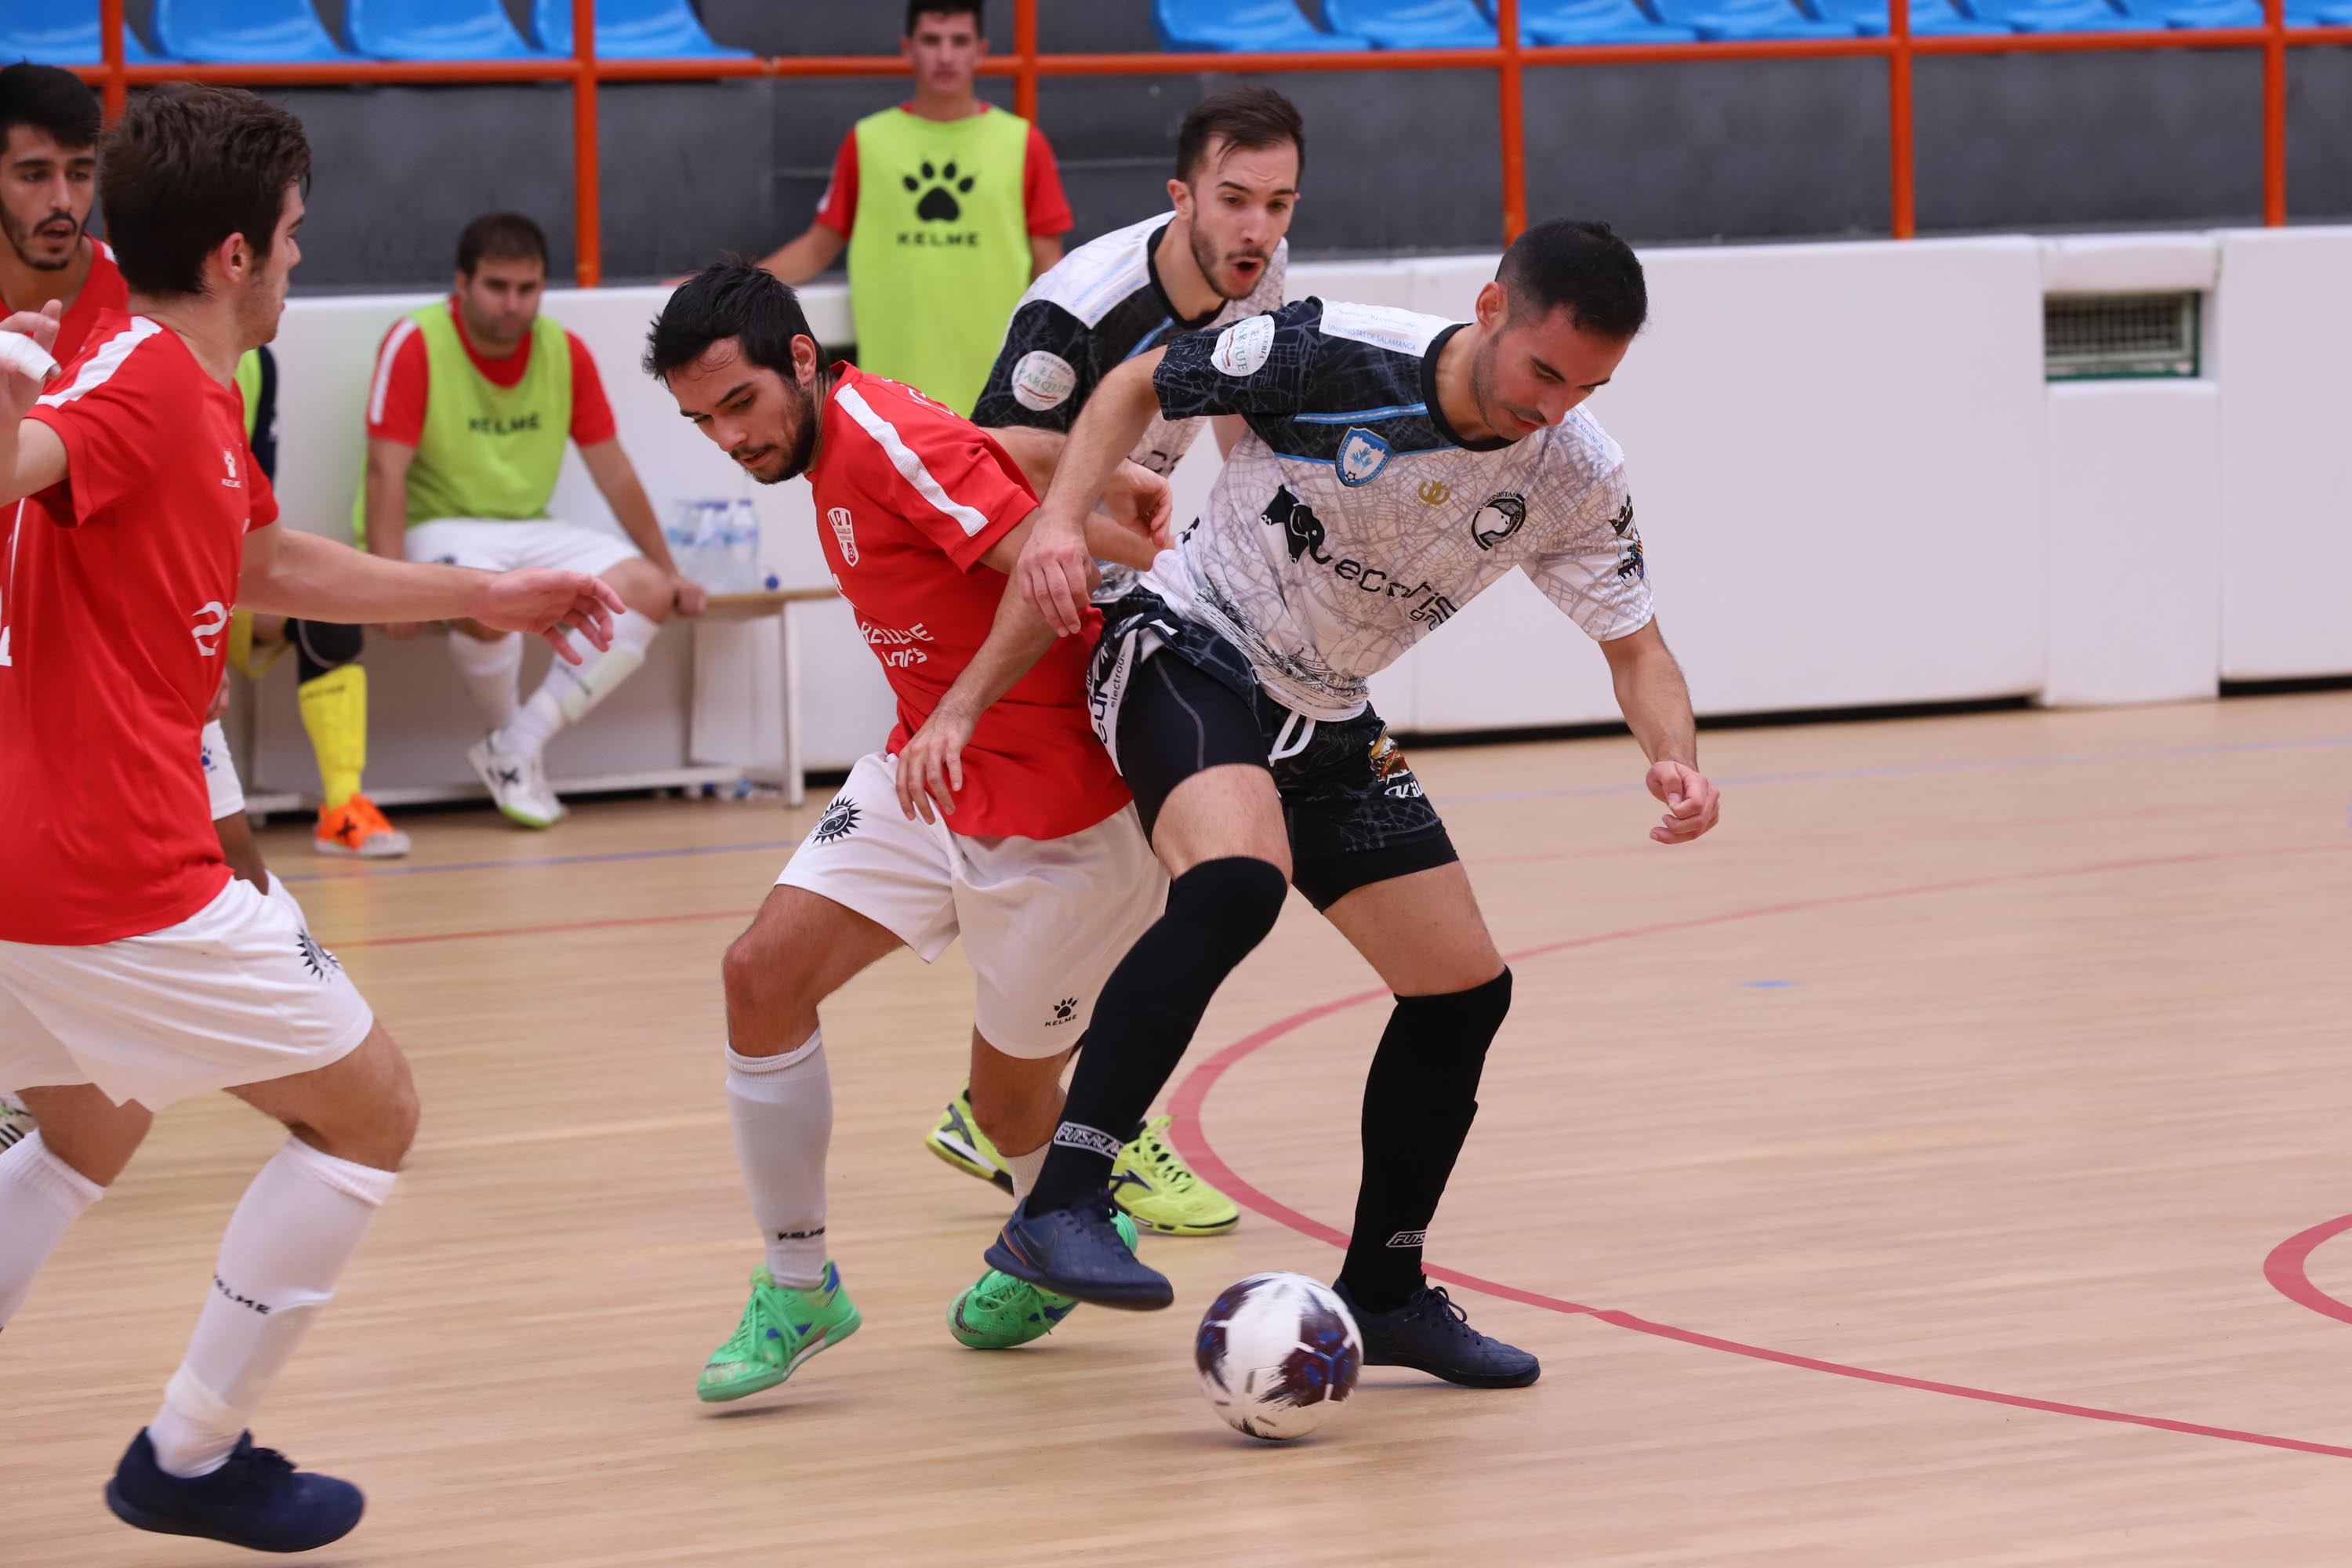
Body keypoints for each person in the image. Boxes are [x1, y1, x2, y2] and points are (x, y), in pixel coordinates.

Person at [0, 85, 621, 1552]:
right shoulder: (142, 381)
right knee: (371, 1109)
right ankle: (193, 1454)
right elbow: (27, 458)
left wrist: (483, 592)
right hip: (118, 868)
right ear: (233, 256)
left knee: (85, 1133)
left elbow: (266, 557)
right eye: (289, 236)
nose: (298, 259)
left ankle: (191, 1450)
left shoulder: (185, 394)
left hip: (33, 864)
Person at [978, 220, 1725, 1390]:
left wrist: (1674, 758)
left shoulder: (1576, 471)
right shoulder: (1327, 351)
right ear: (1490, 310)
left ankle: (1384, 1287)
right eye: (1544, 371)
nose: (1556, 408)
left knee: (1464, 990)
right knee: (1235, 885)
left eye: (1588, 387)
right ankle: (1063, 1200)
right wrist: (1064, 525)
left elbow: (1640, 649)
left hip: (1327, 713)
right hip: (1189, 644)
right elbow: (1132, 382)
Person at [644, 260, 1180, 1373]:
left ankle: (1065, 1221)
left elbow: (1045, 563)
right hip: (927, 774)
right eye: (701, 421)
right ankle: (800, 1290)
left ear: (802, 358)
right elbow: (997, 454)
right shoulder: (863, 420)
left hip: (1061, 819)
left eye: (740, 404)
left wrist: (1133, 541)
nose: (730, 439)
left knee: (1004, 1101)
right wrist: (1102, 474)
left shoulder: (875, 438)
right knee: (761, 975)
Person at [911, 86, 1308, 1234]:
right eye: (1234, 201)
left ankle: (1004, 1099)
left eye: (1278, 205)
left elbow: (1247, 428)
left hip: (1126, 576)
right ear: (1180, 196)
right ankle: (1060, 1117)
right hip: (1021, 581)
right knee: (1146, 868)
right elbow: (982, 467)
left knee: (1155, 867)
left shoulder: (1261, 275)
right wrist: (1103, 523)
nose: (1257, 229)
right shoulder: (1080, 313)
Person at [0, 64, 401, 860]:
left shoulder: (157, 297)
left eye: (81, 174)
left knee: (233, 859)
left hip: (110, 647)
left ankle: (342, 801)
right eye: (33, 174)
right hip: (32, 651)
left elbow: (220, 526)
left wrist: (186, 637)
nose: (62, 201)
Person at [361, 211, 703, 829]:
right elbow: (385, 473)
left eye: (528, 288)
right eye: (497, 286)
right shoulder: (414, 341)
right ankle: (509, 746)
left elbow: (614, 472)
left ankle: (518, 744)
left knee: (647, 591)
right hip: (440, 526)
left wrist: (670, 570)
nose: (513, 304)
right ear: (461, 283)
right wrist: (387, 587)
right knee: (489, 598)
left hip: (527, 525)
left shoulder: (564, 351)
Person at [757, 0, 1071, 416]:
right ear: (908, 47)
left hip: (998, 388)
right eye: (931, 40)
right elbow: (818, 247)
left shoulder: (1023, 143)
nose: (945, 55)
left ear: (981, 50)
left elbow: (1049, 269)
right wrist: (731, 285)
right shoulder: (868, 141)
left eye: (959, 41)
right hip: (892, 392)